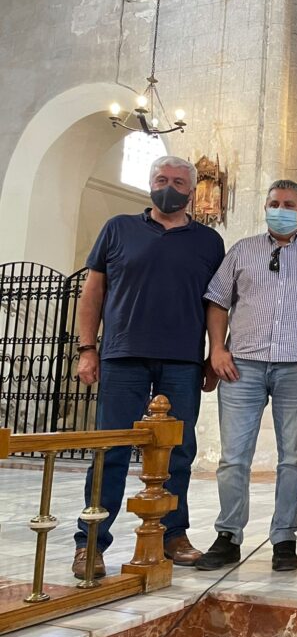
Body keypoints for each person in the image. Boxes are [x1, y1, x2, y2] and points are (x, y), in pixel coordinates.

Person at [73, 155, 225, 578]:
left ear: (191, 191)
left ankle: (173, 535)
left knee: (178, 451)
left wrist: (214, 353)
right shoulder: (118, 229)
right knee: (111, 450)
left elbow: (216, 303)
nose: (168, 187)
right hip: (123, 354)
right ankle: (90, 543)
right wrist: (87, 348)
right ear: (150, 184)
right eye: (161, 179)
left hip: (182, 359)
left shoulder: (209, 242)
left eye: (178, 182)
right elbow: (93, 292)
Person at [196, 180, 297, 572]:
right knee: (233, 458)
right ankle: (228, 535)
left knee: (293, 458)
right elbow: (217, 301)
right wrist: (217, 349)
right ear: (265, 207)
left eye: (289, 204)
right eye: (274, 203)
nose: (280, 209)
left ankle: (284, 537)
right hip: (243, 364)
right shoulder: (243, 250)